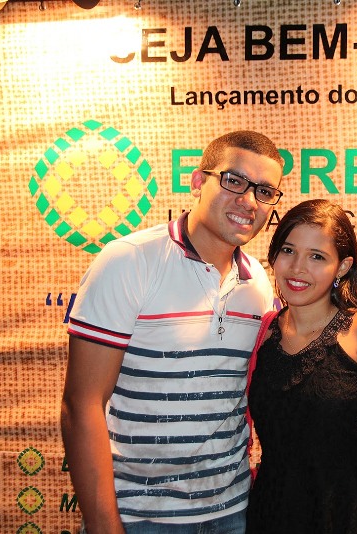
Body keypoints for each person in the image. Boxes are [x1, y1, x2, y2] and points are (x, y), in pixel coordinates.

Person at [60, 130, 284, 533]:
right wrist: (104, 526)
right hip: (139, 517)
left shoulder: (259, 284)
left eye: (265, 191)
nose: (249, 201)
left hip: (233, 512)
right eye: (234, 180)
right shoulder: (129, 262)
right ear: (198, 182)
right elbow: (82, 405)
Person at [246, 199, 357, 534]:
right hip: (269, 516)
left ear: (343, 266)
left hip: (344, 518)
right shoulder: (262, 333)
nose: (298, 268)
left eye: (317, 257)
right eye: (288, 251)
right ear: (273, 256)